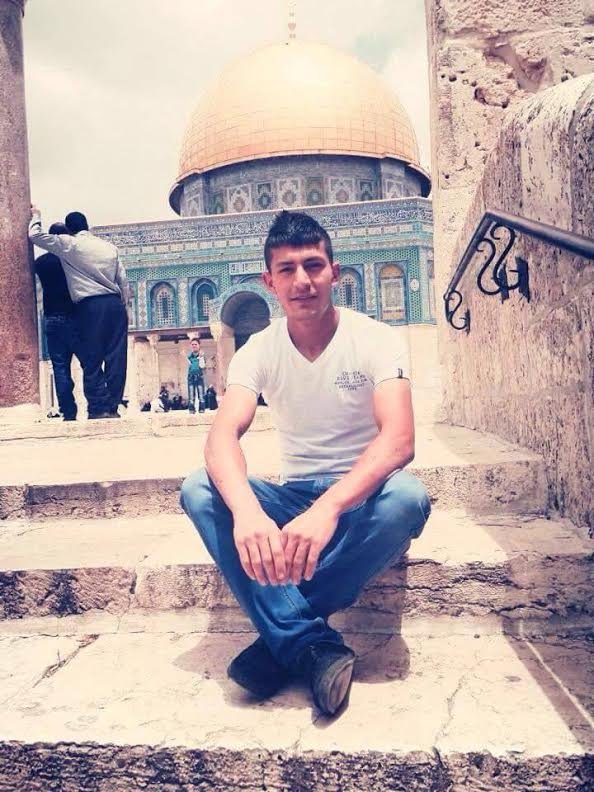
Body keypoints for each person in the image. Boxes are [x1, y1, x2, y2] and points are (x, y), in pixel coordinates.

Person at [180, 210, 431, 717]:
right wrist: (249, 513)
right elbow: (221, 436)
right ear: (269, 282)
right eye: (287, 270)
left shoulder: (376, 339)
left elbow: (399, 441)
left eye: (314, 266)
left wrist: (329, 508)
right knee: (200, 488)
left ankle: (281, 640)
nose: (302, 281)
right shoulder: (259, 351)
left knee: (408, 497)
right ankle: (310, 644)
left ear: (335, 272)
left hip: (358, 500)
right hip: (293, 498)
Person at [29, 207, 129, 419]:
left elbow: (35, 236)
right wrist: (124, 305)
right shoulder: (109, 247)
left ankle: (98, 408)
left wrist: (36, 215)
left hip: (89, 307)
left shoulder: (70, 245)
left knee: (92, 358)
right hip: (115, 305)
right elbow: (123, 280)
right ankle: (113, 406)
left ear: (70, 230)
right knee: (116, 358)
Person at [34, 222, 82, 421]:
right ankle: (97, 405)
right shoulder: (72, 260)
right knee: (89, 363)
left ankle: (68, 411)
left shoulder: (41, 263)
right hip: (74, 318)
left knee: (60, 368)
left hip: (52, 319)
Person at [187, 337, 206, 413]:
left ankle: (201, 409)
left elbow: (202, 366)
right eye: (192, 344)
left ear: (199, 345)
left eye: (195, 344)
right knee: (191, 394)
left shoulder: (202, 355)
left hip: (199, 376)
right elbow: (189, 365)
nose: (194, 346)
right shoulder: (189, 356)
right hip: (191, 377)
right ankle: (191, 409)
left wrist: (201, 357)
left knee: (201, 394)